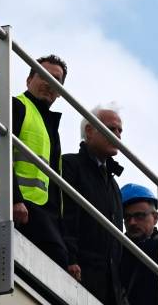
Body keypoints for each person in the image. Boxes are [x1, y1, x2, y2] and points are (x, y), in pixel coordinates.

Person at [0, 55, 69, 268]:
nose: (49, 83)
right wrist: (14, 199)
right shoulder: (17, 106)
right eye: (43, 76)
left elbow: (55, 187)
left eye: (56, 80)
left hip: (43, 214)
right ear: (29, 80)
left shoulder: (51, 125)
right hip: (19, 209)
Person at [62, 106, 126, 304]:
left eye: (120, 131)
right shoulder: (70, 165)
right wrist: (70, 258)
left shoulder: (113, 183)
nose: (117, 135)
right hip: (80, 272)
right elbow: (68, 216)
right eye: (111, 129)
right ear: (89, 131)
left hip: (110, 286)